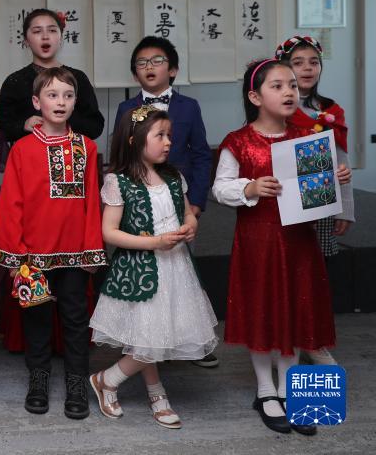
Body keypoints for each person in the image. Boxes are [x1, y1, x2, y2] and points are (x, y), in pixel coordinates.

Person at [212, 58, 351, 436]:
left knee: (295, 309)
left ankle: (292, 391)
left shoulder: (307, 138)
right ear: (255, 97)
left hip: (299, 242)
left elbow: (317, 195)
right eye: (277, 86)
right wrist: (250, 187)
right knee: (262, 311)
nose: (289, 91)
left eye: (292, 85)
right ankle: (265, 390)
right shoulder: (238, 141)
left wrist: (334, 177)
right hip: (258, 242)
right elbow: (220, 189)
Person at [89, 105, 219, 429]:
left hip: (176, 269)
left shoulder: (174, 177)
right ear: (134, 139)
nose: (168, 142)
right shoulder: (119, 181)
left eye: (169, 135)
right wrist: (155, 242)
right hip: (140, 271)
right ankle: (108, 379)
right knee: (150, 337)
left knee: (154, 334)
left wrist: (190, 226)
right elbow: (109, 232)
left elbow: (186, 213)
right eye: (159, 135)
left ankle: (153, 390)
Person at [0, 67, 106, 420]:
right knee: (37, 319)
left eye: (68, 95)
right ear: (36, 101)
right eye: (52, 95)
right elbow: (11, 204)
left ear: (76, 102)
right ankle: (38, 379)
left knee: (76, 319)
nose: (60, 102)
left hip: (75, 255)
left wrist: (92, 250)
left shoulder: (87, 147)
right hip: (32, 256)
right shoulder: (22, 149)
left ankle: (76, 382)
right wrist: (15, 256)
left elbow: (92, 203)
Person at [113, 36, 217, 368]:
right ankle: (142, 340)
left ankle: (190, 342)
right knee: (141, 272)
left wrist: (195, 203)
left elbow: (201, 156)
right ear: (134, 73)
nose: (149, 67)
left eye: (157, 60)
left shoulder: (189, 106)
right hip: (140, 203)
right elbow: (120, 155)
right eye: (142, 63)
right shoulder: (126, 109)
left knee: (183, 275)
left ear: (172, 69)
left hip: (179, 200)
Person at [275, 36, 354, 362]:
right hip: (283, 206)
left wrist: (345, 208)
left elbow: (341, 161)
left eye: (313, 62)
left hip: (321, 205)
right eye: (298, 62)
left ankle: (312, 339)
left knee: (316, 278)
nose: (307, 69)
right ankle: (287, 342)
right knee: (286, 276)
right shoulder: (274, 107)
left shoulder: (330, 110)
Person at [0, 8, 104, 145]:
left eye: (52, 30)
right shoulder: (14, 82)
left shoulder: (78, 77)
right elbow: (1, 127)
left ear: (61, 37)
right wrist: (23, 125)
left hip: (70, 154)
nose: (45, 36)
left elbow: (95, 126)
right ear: (26, 40)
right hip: (30, 155)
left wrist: (62, 120)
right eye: (37, 31)